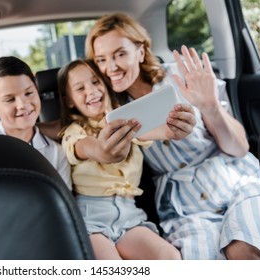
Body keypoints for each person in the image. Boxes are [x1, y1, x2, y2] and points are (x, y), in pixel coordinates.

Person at [84, 12, 260, 260]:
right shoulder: (105, 109)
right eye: (101, 59)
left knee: (244, 251)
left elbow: (239, 147)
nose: (111, 67)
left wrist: (210, 106)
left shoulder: (181, 78)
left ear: (140, 51)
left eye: (120, 54)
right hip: (184, 207)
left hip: (234, 181)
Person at [57, 58, 181, 260]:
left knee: (170, 257)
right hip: (90, 217)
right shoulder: (74, 132)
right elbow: (83, 146)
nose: (92, 91)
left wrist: (170, 130)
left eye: (96, 82)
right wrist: (100, 149)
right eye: (80, 88)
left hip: (129, 215)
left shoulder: (127, 122)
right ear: (69, 100)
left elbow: (148, 132)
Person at [0, 56, 72, 190]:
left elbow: (63, 204)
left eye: (29, 93)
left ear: (37, 91)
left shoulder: (56, 153)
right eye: (10, 100)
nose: (23, 104)